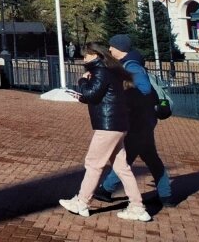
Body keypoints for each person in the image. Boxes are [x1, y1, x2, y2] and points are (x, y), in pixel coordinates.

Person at [58, 42, 151, 222]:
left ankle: (82, 202)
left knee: (93, 163)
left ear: (95, 55)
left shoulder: (101, 71)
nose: (83, 59)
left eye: (86, 55)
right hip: (117, 124)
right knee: (122, 168)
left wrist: (83, 81)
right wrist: (83, 95)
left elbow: (92, 94)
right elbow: (99, 95)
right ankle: (137, 206)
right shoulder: (112, 70)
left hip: (108, 125)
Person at [94, 34, 170, 206]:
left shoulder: (132, 66)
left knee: (126, 157)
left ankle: (106, 189)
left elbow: (143, 90)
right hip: (143, 120)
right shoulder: (127, 64)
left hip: (139, 121)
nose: (110, 49)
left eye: (112, 46)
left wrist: (124, 99)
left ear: (119, 48)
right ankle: (166, 195)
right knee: (150, 157)